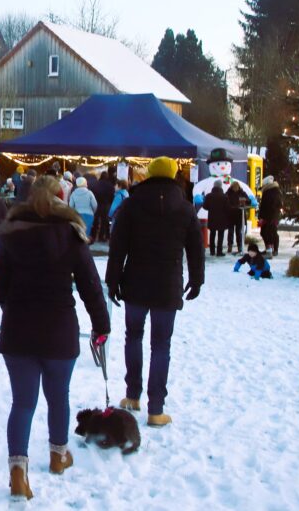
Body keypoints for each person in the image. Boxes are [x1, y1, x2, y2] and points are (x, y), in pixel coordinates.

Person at [0, 176, 111, 497]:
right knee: (59, 396)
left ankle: (18, 472)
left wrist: (12, 308)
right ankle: (59, 456)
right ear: (62, 197)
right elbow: (90, 286)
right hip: (59, 328)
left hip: (18, 330)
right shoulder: (70, 234)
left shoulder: (12, 233)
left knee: (22, 403)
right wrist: (101, 325)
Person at [105, 156, 204, 428]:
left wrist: (112, 280)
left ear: (148, 173)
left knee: (133, 337)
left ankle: (132, 395)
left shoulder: (131, 204)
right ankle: (156, 409)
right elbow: (196, 248)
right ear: (174, 175)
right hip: (167, 285)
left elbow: (118, 246)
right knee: (161, 345)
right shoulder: (185, 208)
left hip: (135, 282)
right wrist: (197, 280)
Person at [202, 180, 231, 257]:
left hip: (212, 218)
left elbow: (205, 206)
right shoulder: (224, 196)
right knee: (220, 235)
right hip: (222, 218)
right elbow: (228, 208)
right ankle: (219, 251)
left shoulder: (209, 196)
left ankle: (212, 251)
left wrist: (211, 208)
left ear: (214, 186)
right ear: (221, 186)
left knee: (212, 234)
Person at [258, 176, 283, 257]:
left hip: (269, 216)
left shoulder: (268, 192)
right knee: (271, 232)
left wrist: (262, 217)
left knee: (267, 232)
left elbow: (265, 206)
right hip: (274, 215)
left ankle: (270, 250)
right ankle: (272, 250)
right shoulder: (276, 191)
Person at [92, 170, 116, 242]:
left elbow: (93, 194)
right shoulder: (110, 185)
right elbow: (112, 196)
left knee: (96, 220)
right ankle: (101, 236)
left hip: (97, 204)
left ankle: (93, 235)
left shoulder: (96, 184)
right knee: (104, 221)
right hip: (106, 205)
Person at [225, 181, 247, 254]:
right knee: (238, 232)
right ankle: (239, 247)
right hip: (239, 214)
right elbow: (248, 201)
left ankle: (230, 246)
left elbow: (225, 202)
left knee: (231, 231)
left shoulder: (228, 193)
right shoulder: (242, 193)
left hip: (231, 215)